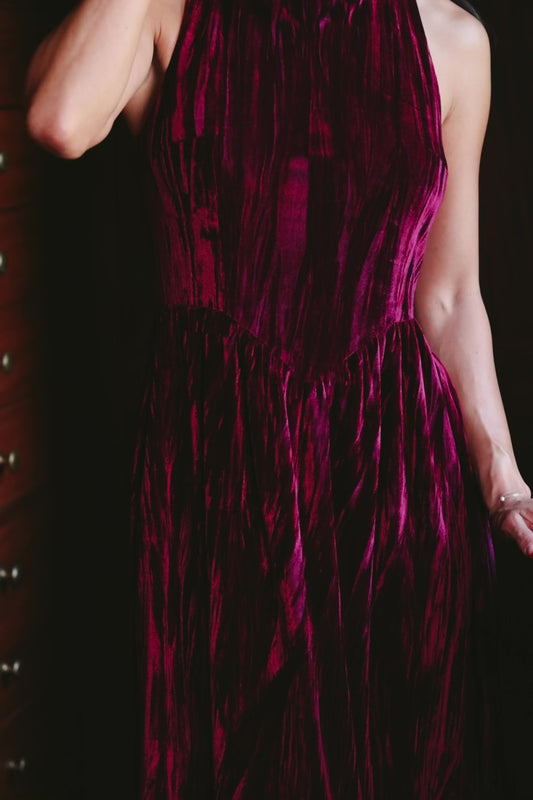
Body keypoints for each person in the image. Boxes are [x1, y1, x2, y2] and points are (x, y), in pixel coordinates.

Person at [24, 0, 533, 797]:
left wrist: (499, 474)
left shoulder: (452, 41)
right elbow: (58, 120)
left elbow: (447, 295)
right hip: (215, 475)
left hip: (389, 480)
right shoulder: (167, 16)